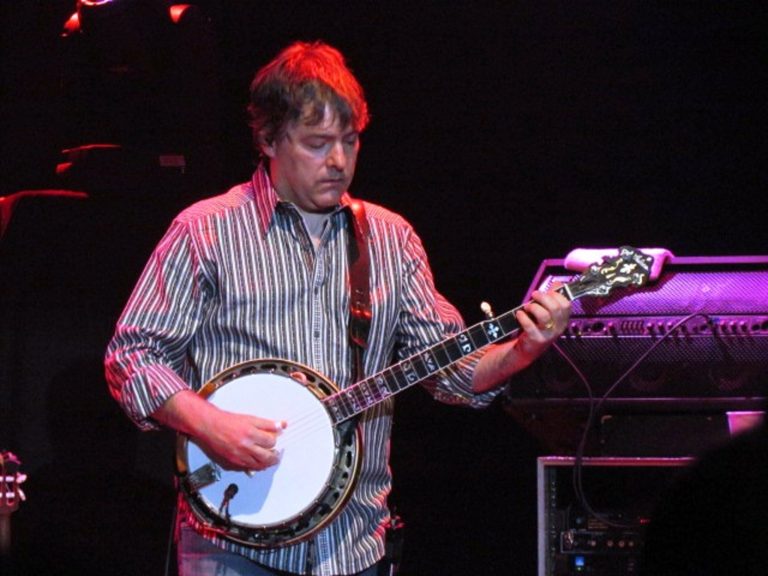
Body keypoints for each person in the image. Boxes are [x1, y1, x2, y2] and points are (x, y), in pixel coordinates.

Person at [104, 40, 571, 576]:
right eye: (317, 143)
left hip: (355, 547)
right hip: (232, 548)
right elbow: (132, 356)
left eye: (350, 141)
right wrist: (209, 424)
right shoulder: (205, 230)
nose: (339, 161)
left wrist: (523, 350)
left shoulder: (390, 238)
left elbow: (455, 375)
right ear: (267, 139)